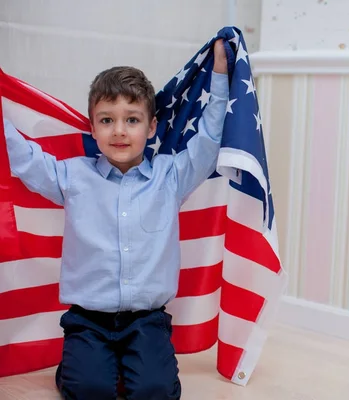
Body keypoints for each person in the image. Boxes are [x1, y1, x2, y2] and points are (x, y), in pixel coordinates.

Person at [4, 39, 229, 399]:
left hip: (147, 320)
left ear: (151, 127)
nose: (119, 131)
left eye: (132, 120)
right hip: (88, 320)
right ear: (92, 128)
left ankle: (132, 365)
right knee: (90, 389)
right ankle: (78, 367)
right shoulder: (73, 178)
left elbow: (208, 140)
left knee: (156, 391)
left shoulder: (171, 178)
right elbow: (26, 159)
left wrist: (219, 75)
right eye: (107, 120)